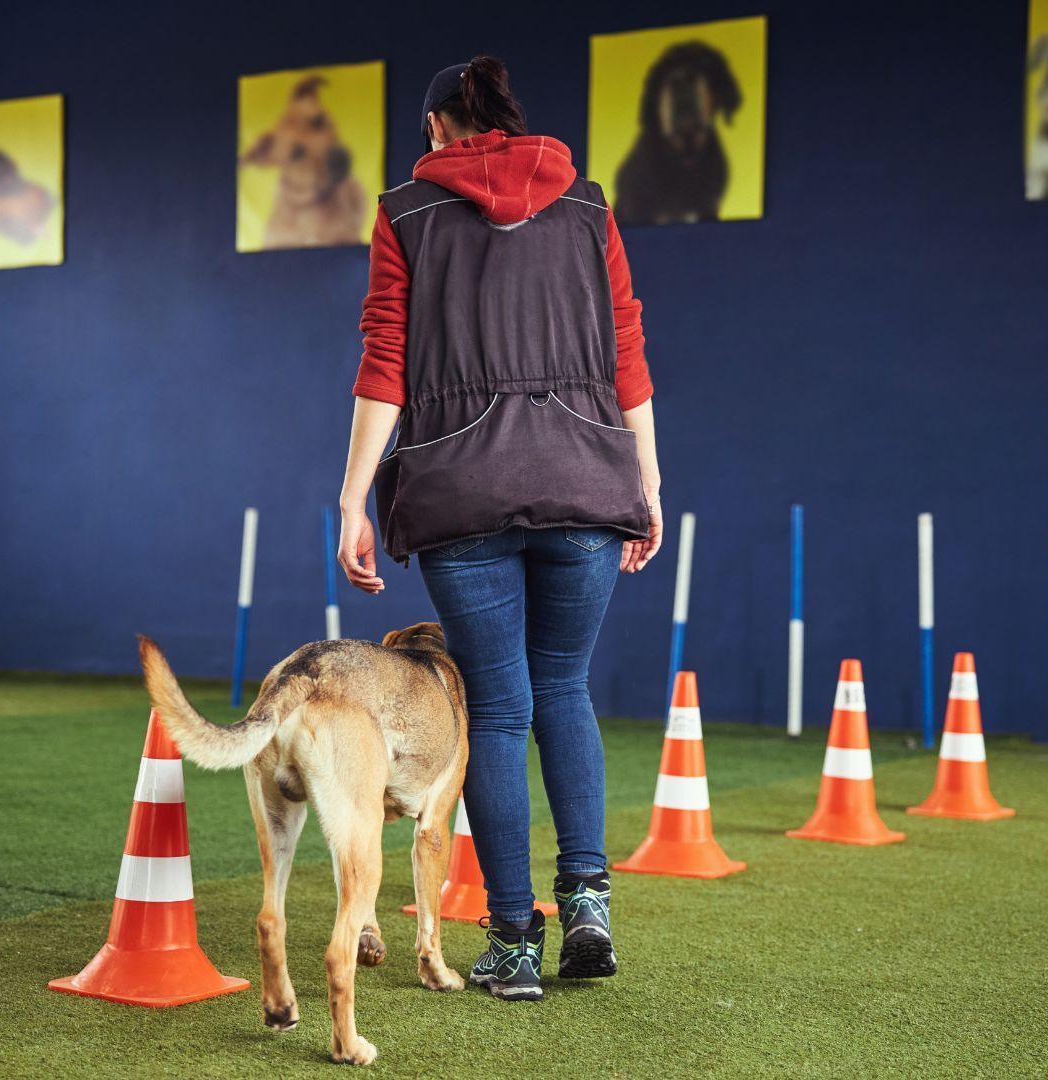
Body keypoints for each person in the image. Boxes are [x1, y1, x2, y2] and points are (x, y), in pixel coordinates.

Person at [337, 55, 662, 1002]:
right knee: (565, 687)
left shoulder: (406, 212)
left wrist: (354, 497)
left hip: (460, 487)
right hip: (588, 477)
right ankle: (589, 901)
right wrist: (645, 482)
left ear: (438, 127)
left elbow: (385, 359)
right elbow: (627, 345)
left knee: (503, 707)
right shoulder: (590, 207)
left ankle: (515, 942)